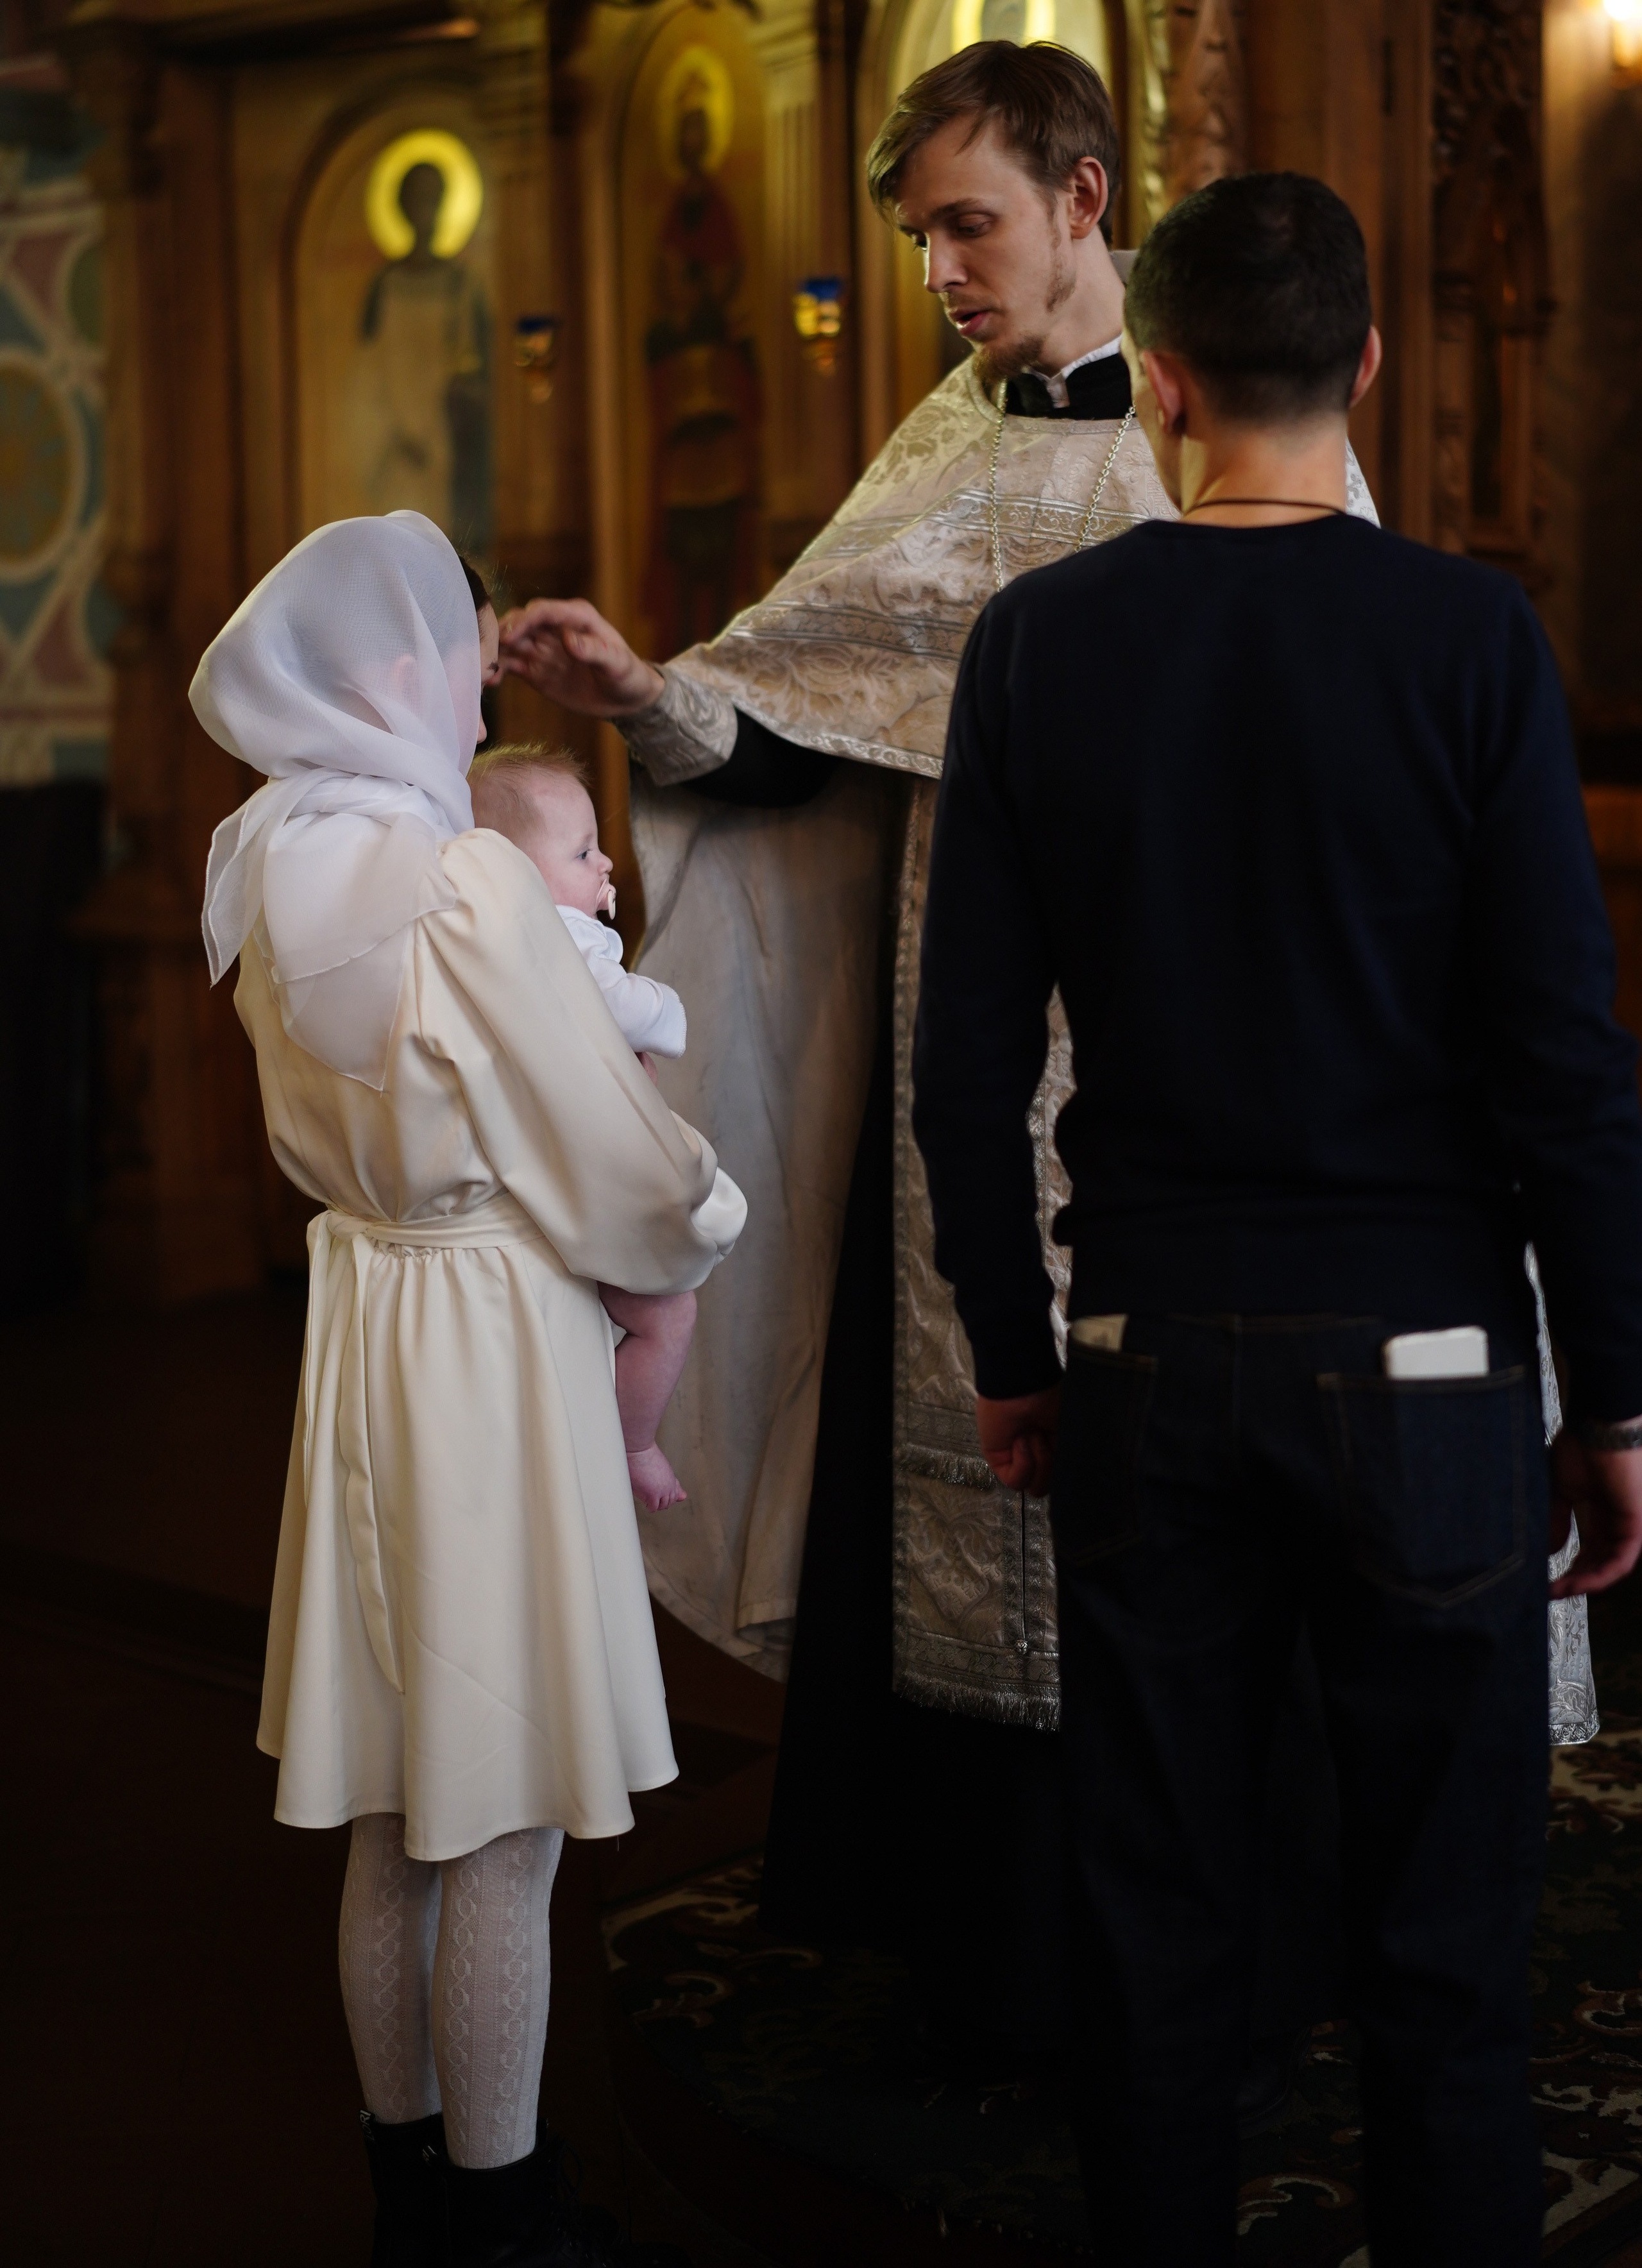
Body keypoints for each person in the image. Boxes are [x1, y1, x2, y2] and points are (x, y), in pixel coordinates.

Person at [497, 39, 1377, 2067]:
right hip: (966, 1046)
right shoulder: (944, 435)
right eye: (916, 240)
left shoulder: (1238, 410)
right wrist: (648, 691)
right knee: (964, 1439)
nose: (940, 275)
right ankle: (988, 1924)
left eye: (965, 225)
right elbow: (802, 707)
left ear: (1085, 197)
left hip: (1181, 1052)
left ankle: (1227, 1923)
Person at [911, 171, 1642, 2264]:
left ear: (1161, 383)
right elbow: (1567, 1068)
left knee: (1159, 1936)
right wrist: (1620, 1395)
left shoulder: (1044, 642)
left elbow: (968, 1069)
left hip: (1148, 1366)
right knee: (1447, 1953)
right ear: (1372, 365)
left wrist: (1016, 1353)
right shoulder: (1471, 636)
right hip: (1426, 1374)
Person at [195, 512, 743, 2268]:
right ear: (392, 674)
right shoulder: (461, 881)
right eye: (447, 648)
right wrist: (703, 1208)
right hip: (489, 1329)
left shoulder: (265, 862)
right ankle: (504, 2223)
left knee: (390, 1807)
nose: (460, 675)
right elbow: (599, 1137)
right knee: (500, 1815)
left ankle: (407, 2179)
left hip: (365, 1312)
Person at [470, 741, 697, 1511]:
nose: (605, 865)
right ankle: (632, 1440)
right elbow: (626, 1006)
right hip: (585, 1179)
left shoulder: (513, 935)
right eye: (581, 851)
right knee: (667, 1313)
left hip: (562, 1174)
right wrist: (669, 1008)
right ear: (517, 880)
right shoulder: (554, 938)